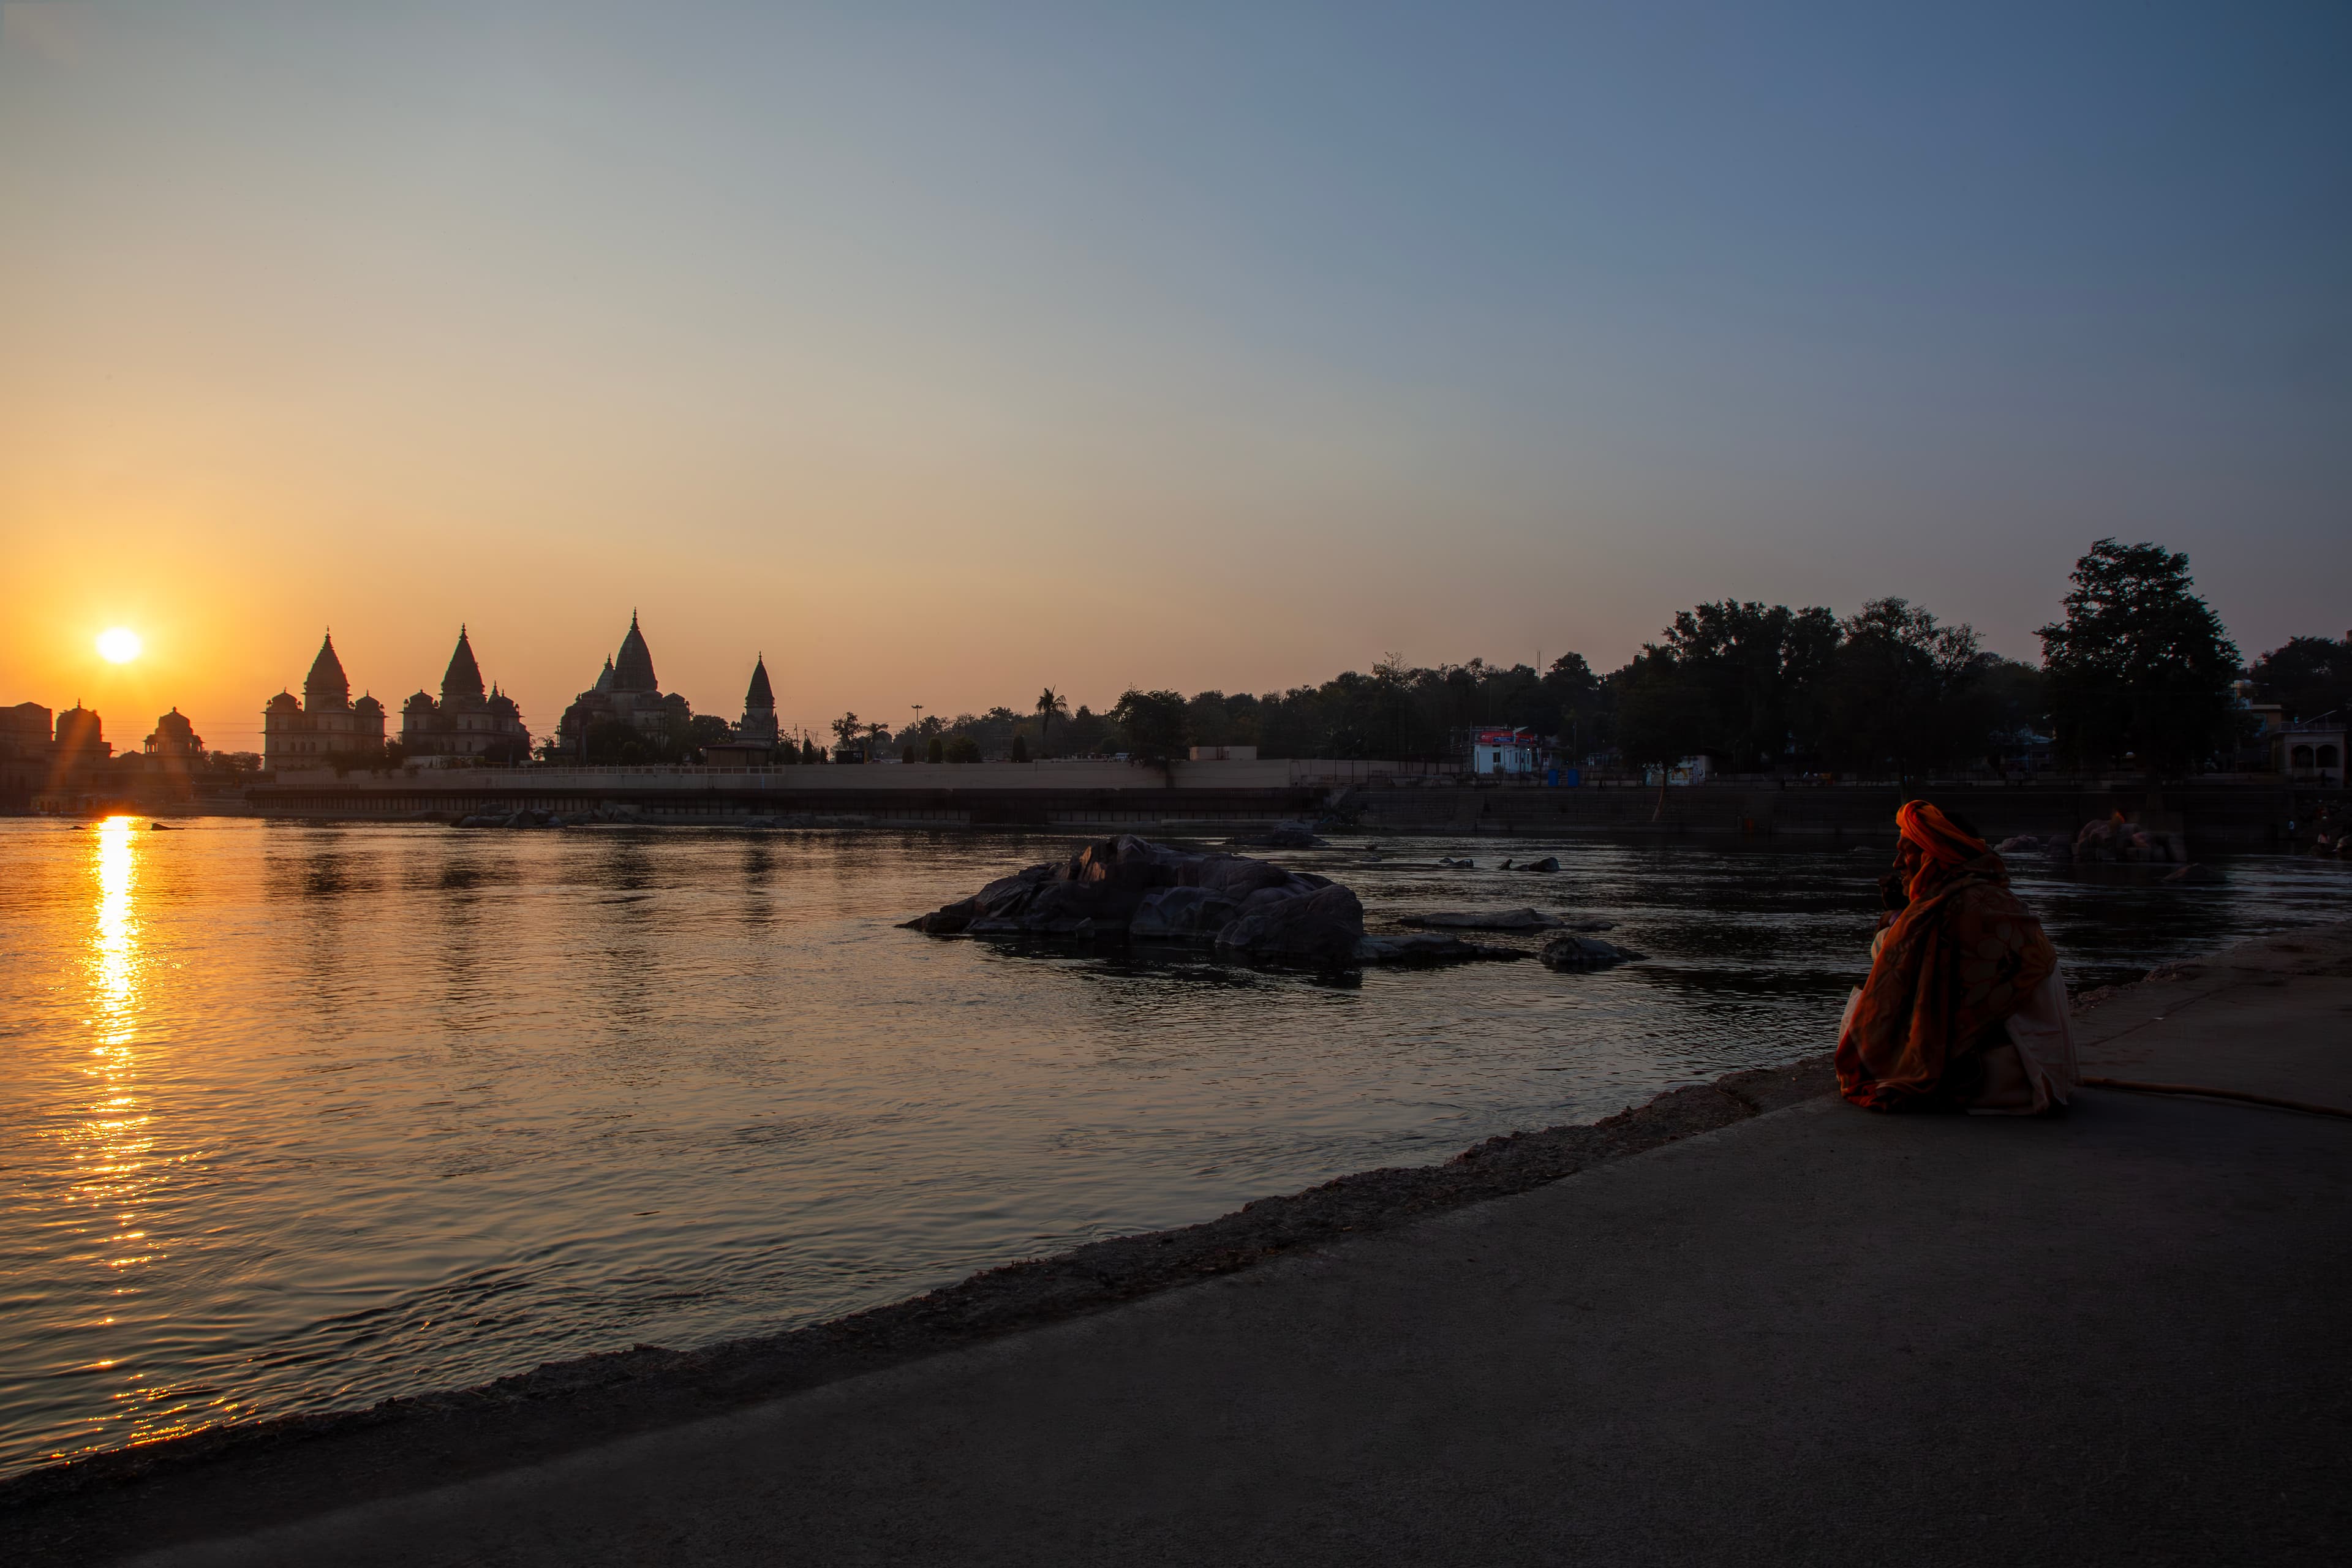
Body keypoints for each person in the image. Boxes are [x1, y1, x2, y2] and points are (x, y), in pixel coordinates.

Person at [1837, 801, 2077, 1114]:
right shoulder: (1993, 896)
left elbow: (1889, 959)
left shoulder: (1947, 909)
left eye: (1907, 852)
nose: (1897, 863)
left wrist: (1897, 916)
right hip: (2045, 1072)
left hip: (2012, 1078)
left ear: (1934, 858)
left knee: (1870, 1022)